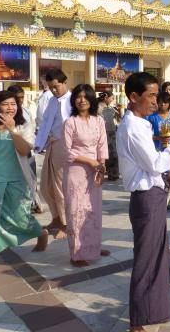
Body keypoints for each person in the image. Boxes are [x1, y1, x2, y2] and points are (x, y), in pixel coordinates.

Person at [116, 72, 170, 332]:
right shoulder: (131, 127)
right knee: (146, 259)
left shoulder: (141, 124)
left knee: (158, 257)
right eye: (150, 95)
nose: (155, 100)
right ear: (133, 96)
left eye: (156, 94)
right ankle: (137, 321)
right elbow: (155, 161)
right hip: (145, 200)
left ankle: (152, 311)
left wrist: (164, 174)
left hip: (153, 194)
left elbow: (151, 167)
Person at [0, 91, 48, 273]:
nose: (10, 108)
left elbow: (24, 151)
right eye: (5, 104)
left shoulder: (24, 126)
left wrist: (12, 130)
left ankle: (41, 232)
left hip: (16, 180)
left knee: (21, 218)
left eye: (13, 104)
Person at [63, 84, 109, 267]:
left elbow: (102, 145)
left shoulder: (98, 120)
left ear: (91, 99)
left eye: (85, 96)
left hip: (95, 170)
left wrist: (101, 168)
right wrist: (90, 162)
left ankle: (93, 247)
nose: (81, 100)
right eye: (78, 97)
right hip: (76, 171)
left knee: (93, 210)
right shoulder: (70, 122)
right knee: (77, 212)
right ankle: (77, 254)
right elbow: (67, 153)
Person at [35, 69, 72, 239]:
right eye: (51, 88)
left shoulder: (73, 100)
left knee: (60, 187)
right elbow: (44, 124)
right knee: (46, 186)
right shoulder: (51, 100)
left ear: (65, 83)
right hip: (51, 145)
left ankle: (66, 224)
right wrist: (39, 143)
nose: (54, 90)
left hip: (65, 148)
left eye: (56, 87)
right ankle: (56, 218)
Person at [7, 85, 42, 213]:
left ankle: (33, 203)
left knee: (30, 179)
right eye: (17, 98)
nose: (20, 100)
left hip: (26, 151)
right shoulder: (2, 114)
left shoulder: (26, 112)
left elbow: (30, 134)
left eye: (22, 97)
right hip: (9, 155)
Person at [98, 92, 120, 181]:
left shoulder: (109, 107)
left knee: (112, 152)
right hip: (105, 132)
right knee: (111, 153)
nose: (112, 100)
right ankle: (113, 173)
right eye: (111, 98)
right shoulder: (99, 107)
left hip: (111, 130)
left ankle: (112, 173)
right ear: (106, 97)